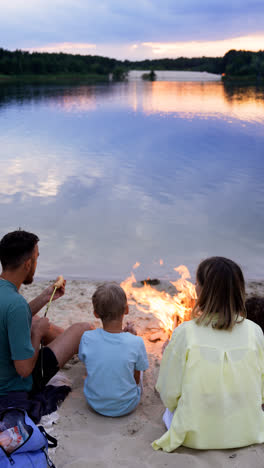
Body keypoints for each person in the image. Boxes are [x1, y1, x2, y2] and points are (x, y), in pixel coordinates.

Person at [152, 256, 264, 452]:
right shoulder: (255, 331)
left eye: (196, 283)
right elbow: (261, 391)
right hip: (247, 429)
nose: (194, 287)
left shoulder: (184, 332)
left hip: (196, 436)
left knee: (171, 410)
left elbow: (169, 394)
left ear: (202, 290)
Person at [0, 229, 93, 397]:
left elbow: (11, 315)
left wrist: (45, 297)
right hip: (16, 385)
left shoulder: (7, 295)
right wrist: (37, 333)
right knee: (82, 329)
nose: (36, 264)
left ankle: (89, 350)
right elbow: (24, 370)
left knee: (34, 318)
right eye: (36, 258)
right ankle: (105, 352)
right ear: (28, 264)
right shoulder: (16, 304)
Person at [78, 282, 149, 417]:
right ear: (126, 309)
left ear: (96, 314)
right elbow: (136, 376)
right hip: (127, 405)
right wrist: (130, 338)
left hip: (95, 403)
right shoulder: (136, 342)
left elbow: (85, 363)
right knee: (138, 364)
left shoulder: (87, 337)